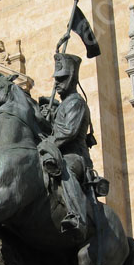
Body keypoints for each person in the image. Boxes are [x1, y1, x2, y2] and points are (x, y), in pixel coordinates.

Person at [41, 53, 93, 233]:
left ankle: (76, 217)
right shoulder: (62, 105)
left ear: (72, 78)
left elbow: (68, 132)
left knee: (66, 168)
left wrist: (46, 143)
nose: (57, 83)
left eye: (62, 79)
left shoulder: (76, 103)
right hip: (58, 152)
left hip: (75, 156)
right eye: (56, 79)